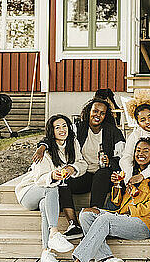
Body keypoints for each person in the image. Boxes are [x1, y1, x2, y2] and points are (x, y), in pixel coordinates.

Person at [50, 137, 150, 262]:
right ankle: (107, 258)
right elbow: (117, 202)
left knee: (104, 219)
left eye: (146, 150)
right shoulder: (130, 172)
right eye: (138, 150)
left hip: (143, 223)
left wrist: (127, 211)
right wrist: (117, 185)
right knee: (85, 215)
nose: (140, 153)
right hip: (121, 217)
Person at [33, 97, 125, 239]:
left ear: (106, 115)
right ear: (89, 111)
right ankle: (73, 224)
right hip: (83, 173)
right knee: (63, 182)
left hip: (104, 176)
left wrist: (111, 161)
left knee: (101, 174)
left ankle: (93, 215)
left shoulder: (114, 132)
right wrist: (42, 147)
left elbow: (122, 156)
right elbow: (57, 135)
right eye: (95, 111)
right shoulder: (78, 128)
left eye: (102, 113)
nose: (97, 115)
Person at [15, 114, 88, 262]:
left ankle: (46, 252)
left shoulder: (72, 143)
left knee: (46, 208)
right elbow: (39, 179)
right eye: (57, 127)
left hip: (47, 195)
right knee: (52, 187)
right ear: (51, 131)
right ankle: (54, 233)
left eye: (64, 126)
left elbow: (82, 163)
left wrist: (72, 168)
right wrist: (52, 175)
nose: (62, 130)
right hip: (29, 192)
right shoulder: (45, 151)